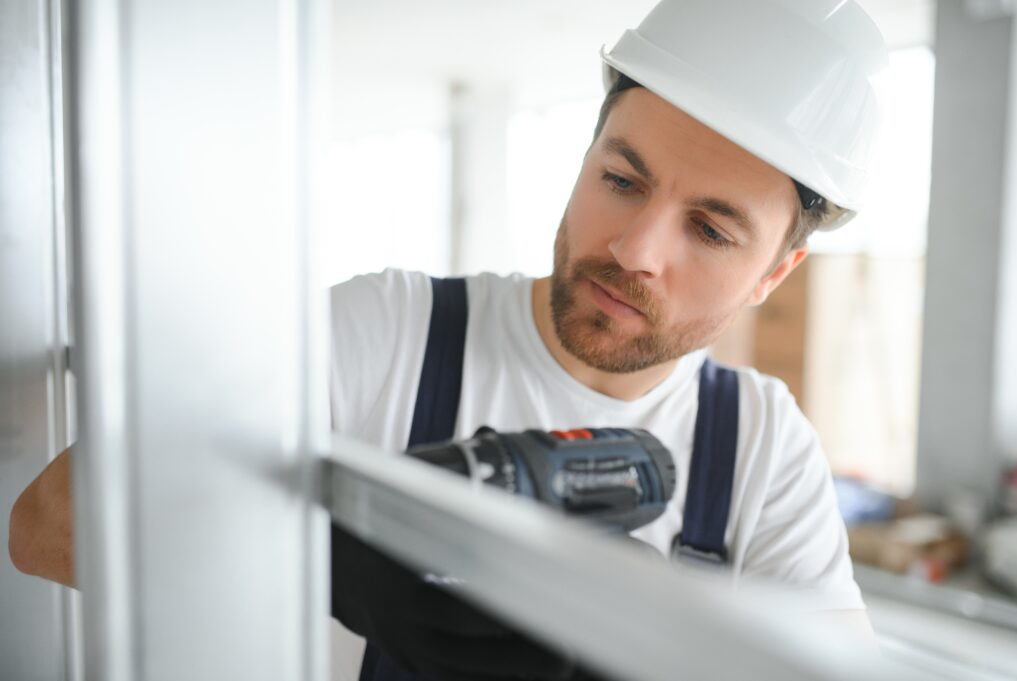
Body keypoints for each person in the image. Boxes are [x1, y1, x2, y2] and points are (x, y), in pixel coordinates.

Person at [10, 0, 888, 679]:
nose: (634, 250)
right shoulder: (386, 332)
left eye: (710, 229)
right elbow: (44, 523)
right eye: (621, 179)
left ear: (774, 273)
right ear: (584, 155)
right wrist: (322, 560)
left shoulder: (763, 451)